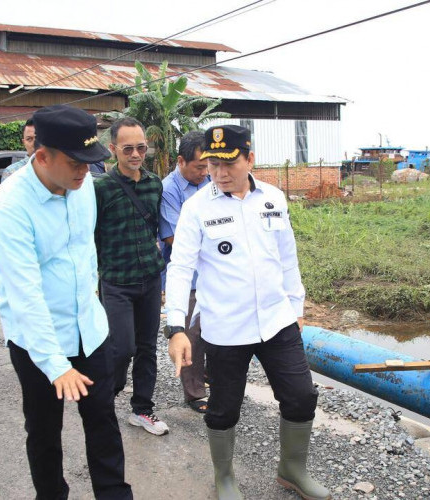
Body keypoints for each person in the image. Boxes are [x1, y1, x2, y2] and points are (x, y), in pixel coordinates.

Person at [166, 125, 330, 500]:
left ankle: (292, 470)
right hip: (225, 327)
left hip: (277, 320)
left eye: (229, 164)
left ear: (249, 159)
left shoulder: (273, 197)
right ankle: (224, 478)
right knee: (223, 409)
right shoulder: (196, 209)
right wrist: (175, 324)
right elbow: (179, 268)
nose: (220, 174)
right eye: (212, 165)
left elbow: (287, 257)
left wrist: (296, 306)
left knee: (301, 396)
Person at [0, 104, 132, 499]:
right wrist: (55, 366)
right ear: (42, 156)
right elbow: (24, 293)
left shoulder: (81, 182)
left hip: (90, 329)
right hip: (38, 341)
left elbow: (85, 252)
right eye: (75, 162)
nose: (84, 171)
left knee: (103, 420)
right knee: (44, 430)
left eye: (89, 162)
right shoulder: (10, 206)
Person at [94, 117, 168, 436]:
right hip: (116, 281)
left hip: (150, 278)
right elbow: (89, 236)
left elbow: (154, 229)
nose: (136, 154)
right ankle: (105, 397)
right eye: (128, 149)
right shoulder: (100, 189)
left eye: (141, 147)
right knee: (122, 347)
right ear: (113, 150)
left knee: (148, 346)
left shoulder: (154, 183)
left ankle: (142, 409)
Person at [159, 130, 210, 413]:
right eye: (199, 167)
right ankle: (194, 393)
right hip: (188, 276)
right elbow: (172, 237)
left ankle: (210, 376)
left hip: (213, 274)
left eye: (207, 166)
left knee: (214, 329)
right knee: (190, 335)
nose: (204, 172)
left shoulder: (212, 181)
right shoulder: (171, 190)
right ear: (181, 161)